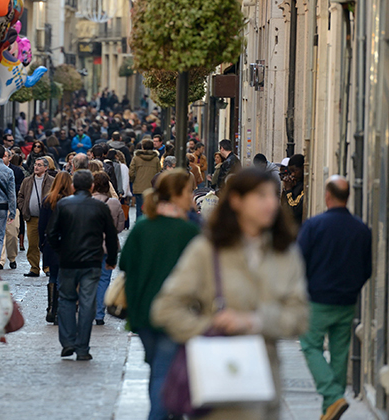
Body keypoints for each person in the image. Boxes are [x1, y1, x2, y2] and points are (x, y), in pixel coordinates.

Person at [150, 168, 309, 420]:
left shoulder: (285, 254)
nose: (271, 203)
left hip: (266, 389)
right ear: (236, 201)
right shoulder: (207, 250)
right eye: (260, 196)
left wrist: (254, 321)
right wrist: (209, 326)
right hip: (218, 390)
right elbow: (165, 308)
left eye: (273, 196)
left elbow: (300, 315)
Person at [119, 169, 200, 419]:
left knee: (158, 369)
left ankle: (167, 411)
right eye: (189, 191)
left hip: (142, 313)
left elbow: (126, 266)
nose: (192, 197)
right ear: (176, 194)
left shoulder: (143, 227)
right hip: (175, 315)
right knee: (165, 372)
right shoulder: (188, 232)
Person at [298, 176, 371, 420]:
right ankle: (331, 408)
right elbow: (366, 268)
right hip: (347, 301)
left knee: (310, 345)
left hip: (318, 300)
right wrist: (351, 288)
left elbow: (299, 260)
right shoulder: (361, 229)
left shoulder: (314, 225)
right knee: (340, 353)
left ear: (327, 196)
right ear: (347, 196)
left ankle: (332, 396)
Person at [47, 170, 119, 361]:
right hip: (92, 261)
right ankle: (82, 347)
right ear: (91, 186)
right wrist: (111, 259)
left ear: (73, 186)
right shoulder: (99, 207)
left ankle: (68, 341)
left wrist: (61, 251)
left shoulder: (63, 205)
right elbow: (111, 235)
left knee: (67, 299)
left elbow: (51, 234)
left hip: (69, 260)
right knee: (87, 302)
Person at [38, 171, 73, 324]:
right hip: (67, 243)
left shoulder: (48, 201)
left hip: (51, 243)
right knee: (62, 277)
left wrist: (42, 242)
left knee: (53, 275)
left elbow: (42, 225)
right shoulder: (71, 201)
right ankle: (58, 311)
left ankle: (52, 308)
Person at [91, 172, 125, 326]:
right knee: (104, 279)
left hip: (89, 246)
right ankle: (99, 314)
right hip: (107, 246)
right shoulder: (114, 203)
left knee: (89, 279)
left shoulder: (87, 201)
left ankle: (88, 311)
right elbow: (120, 226)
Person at [17, 157, 55, 277]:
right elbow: (21, 196)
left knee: (46, 243)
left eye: (39, 165)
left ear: (46, 168)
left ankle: (47, 267)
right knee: (33, 244)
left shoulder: (51, 181)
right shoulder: (27, 181)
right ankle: (34, 268)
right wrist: (23, 208)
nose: (36, 167)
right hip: (31, 217)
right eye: (35, 165)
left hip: (47, 218)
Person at [130, 139, 162, 220]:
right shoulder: (156, 159)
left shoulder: (136, 158)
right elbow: (159, 173)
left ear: (142, 147)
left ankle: (139, 227)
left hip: (139, 187)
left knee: (139, 209)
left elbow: (131, 172)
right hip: (151, 188)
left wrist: (133, 180)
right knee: (151, 208)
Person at [283, 153, 305, 225]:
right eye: (291, 172)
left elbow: (294, 210)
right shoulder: (296, 184)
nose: (293, 174)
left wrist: (289, 190)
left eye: (295, 171)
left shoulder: (304, 187)